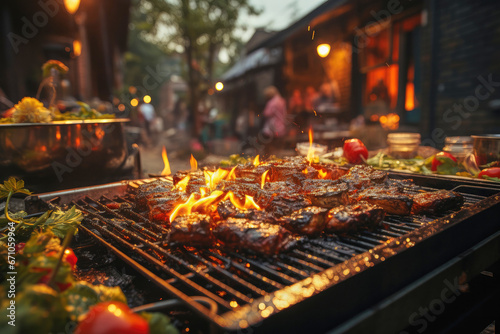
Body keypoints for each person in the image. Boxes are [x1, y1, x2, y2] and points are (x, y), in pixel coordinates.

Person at [262, 86, 287, 155]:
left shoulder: (271, 102)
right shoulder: (282, 101)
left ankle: (268, 161)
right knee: (278, 149)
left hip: (271, 128)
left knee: (268, 149)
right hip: (281, 127)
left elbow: (266, 113)